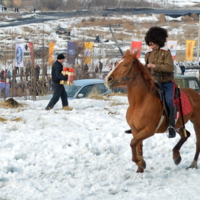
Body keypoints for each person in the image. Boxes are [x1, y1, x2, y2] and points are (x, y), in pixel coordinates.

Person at [125, 26, 176, 138]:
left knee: (169, 101)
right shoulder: (148, 54)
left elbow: (170, 67)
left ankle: (172, 126)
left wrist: (154, 66)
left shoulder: (165, 53)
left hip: (166, 82)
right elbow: (146, 70)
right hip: (153, 82)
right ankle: (136, 124)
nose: (150, 44)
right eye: (149, 42)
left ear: (159, 41)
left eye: (152, 42)